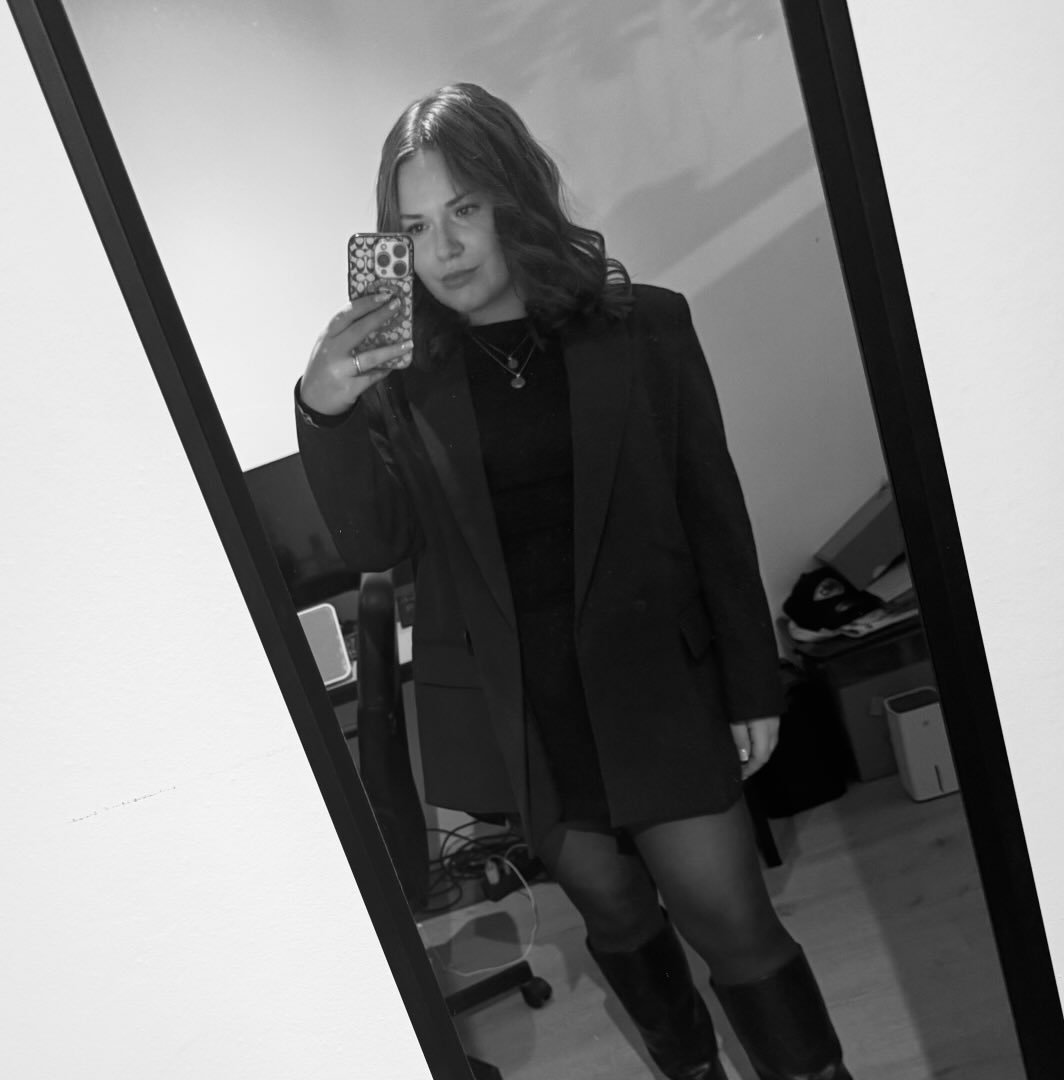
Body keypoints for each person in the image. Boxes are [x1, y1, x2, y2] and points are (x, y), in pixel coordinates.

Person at [296, 83, 853, 1080]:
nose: (443, 249)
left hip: (657, 685)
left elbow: (711, 509)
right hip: (526, 710)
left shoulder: (644, 328)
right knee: (616, 915)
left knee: (732, 920)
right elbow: (379, 539)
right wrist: (325, 408)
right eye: (414, 228)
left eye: (465, 209)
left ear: (514, 198)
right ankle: (691, 1067)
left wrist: (751, 680)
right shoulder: (402, 378)